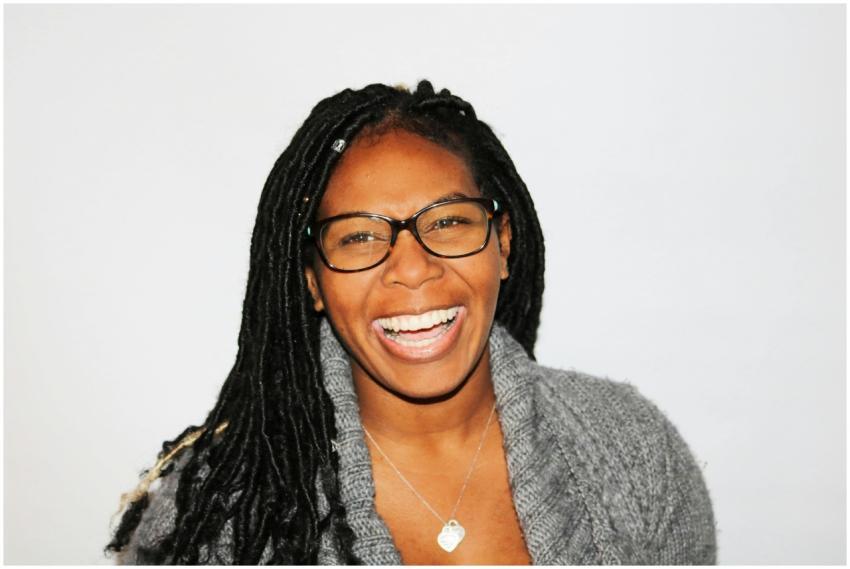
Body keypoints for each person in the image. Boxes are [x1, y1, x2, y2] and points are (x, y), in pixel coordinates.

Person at [106, 80, 717, 565]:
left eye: (449, 222)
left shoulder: (632, 450)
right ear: (312, 280)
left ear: (502, 242)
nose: (413, 269)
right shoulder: (222, 519)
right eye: (360, 236)